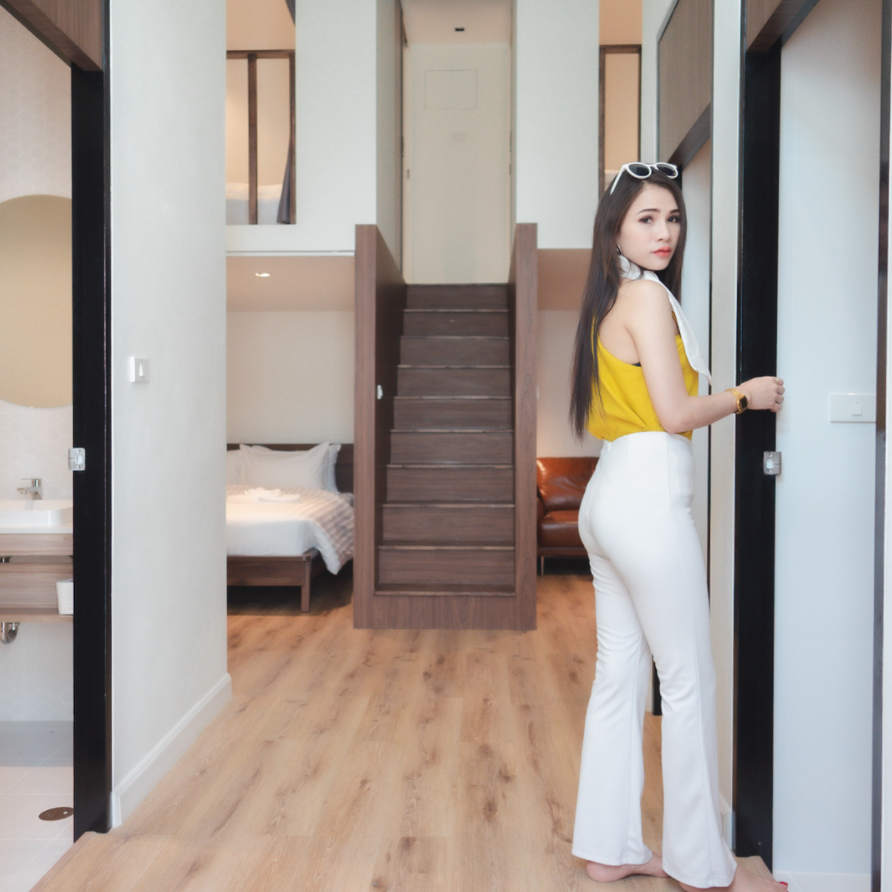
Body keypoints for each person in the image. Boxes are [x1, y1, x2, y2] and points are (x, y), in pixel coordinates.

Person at [568, 162, 786, 892]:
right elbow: (675, 414)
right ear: (617, 230)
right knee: (688, 679)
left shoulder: (611, 302)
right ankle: (700, 863)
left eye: (673, 219)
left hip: (607, 499)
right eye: (647, 219)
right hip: (646, 499)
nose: (664, 233)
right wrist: (744, 396)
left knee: (619, 678)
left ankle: (610, 848)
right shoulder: (647, 300)